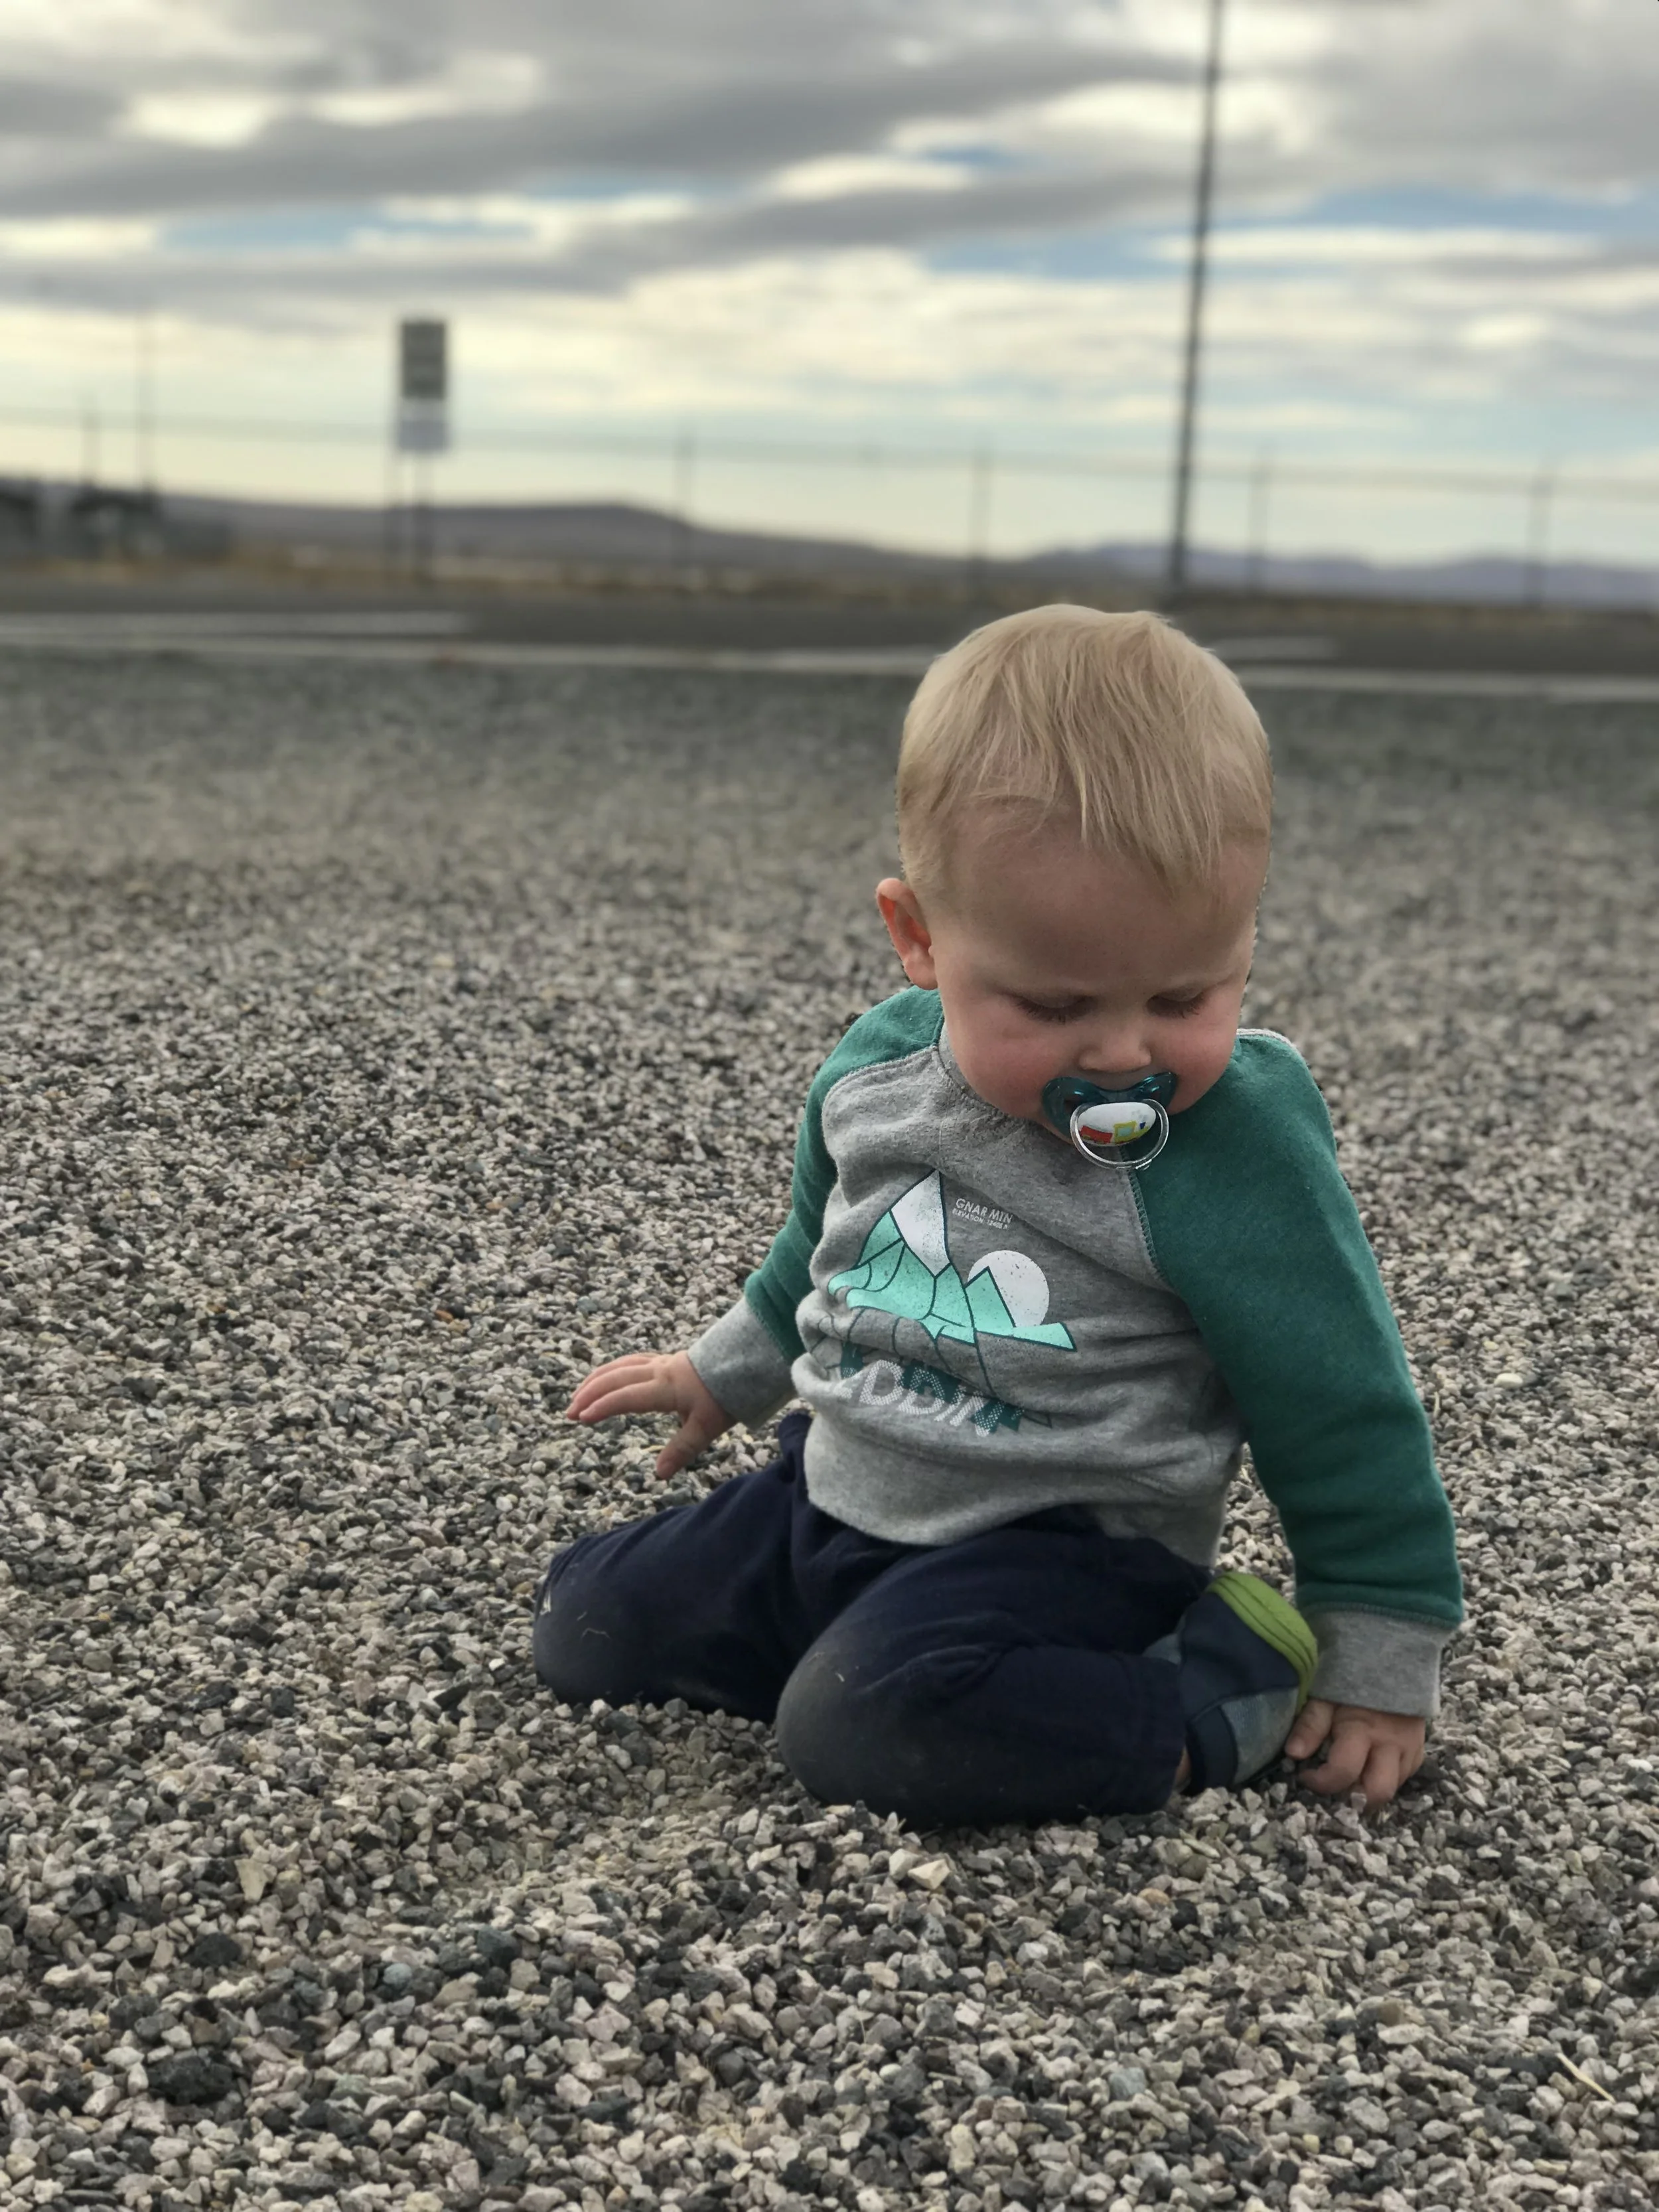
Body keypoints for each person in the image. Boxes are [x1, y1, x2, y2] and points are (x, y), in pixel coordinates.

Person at [534, 606, 1462, 1825]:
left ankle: (1217, 1684)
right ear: (919, 937)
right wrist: (726, 1372)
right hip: (837, 1484)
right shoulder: (876, 1069)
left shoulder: (1233, 1140)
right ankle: (877, 1647)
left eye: (1187, 992)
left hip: (1071, 1544)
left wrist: (1382, 1639)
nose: (1126, 1054)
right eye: (1057, 1003)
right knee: (590, 1623)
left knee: (863, 1729)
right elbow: (824, 1250)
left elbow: (1338, 1393)